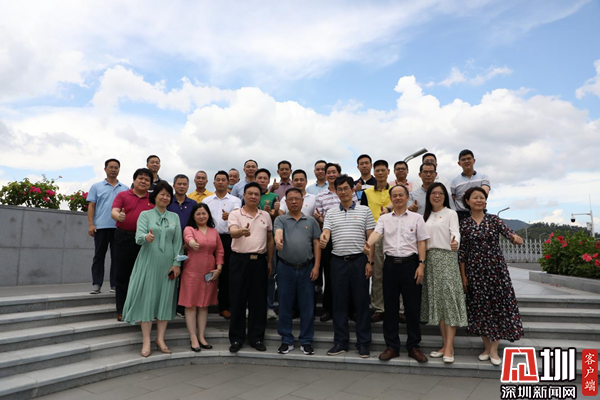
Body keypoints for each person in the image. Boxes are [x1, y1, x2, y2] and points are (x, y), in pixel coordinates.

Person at [459, 186, 524, 366]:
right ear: (467, 201)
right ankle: (486, 347)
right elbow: (462, 252)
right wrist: (463, 276)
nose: (479, 200)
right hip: (474, 272)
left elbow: (509, 233)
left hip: (496, 271)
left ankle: (494, 349)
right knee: (480, 309)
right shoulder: (464, 224)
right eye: (475, 197)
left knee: (497, 308)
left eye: (482, 197)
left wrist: (515, 237)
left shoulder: (494, 220)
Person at [365, 184, 430, 363]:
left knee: (412, 308)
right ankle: (392, 346)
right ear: (391, 199)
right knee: (390, 308)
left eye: (401, 195)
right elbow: (376, 234)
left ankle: (413, 346)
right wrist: (368, 244)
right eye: (395, 195)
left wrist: (421, 265)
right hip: (390, 265)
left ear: (407, 197)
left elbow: (422, 242)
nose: (398, 198)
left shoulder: (417, 218)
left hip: (411, 265)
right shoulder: (384, 219)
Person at [121, 181, 183, 357]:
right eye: (162, 194)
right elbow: (138, 237)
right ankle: (146, 340)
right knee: (148, 300)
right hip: (149, 260)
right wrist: (145, 237)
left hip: (168, 262)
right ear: (155, 196)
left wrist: (177, 263)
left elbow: (178, 242)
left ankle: (160, 339)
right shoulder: (145, 215)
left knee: (165, 300)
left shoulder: (174, 217)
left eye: (168, 195)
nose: (165, 197)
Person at [320, 175, 374, 358]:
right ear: (336, 192)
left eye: (346, 188)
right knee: (339, 304)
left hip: (359, 262)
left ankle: (363, 343)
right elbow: (326, 231)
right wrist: (324, 238)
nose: (343, 192)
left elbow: (371, 238)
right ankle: (340, 342)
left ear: (352, 190)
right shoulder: (331, 213)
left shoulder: (365, 210)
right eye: (340, 189)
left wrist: (370, 262)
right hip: (338, 263)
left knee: (361, 303)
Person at [421, 183, 467, 364]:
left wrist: (456, 242)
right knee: (439, 303)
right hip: (430, 261)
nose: (437, 196)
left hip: (446, 259)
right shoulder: (425, 216)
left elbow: (455, 233)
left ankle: (449, 347)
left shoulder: (451, 213)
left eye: (440, 193)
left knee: (449, 302)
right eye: (434, 193)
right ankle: (445, 344)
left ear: (445, 196)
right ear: (429, 196)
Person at [227, 182, 274, 353]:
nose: (253, 196)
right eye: (250, 193)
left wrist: (269, 261)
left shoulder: (265, 215)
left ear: (260, 197)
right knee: (238, 300)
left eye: (256, 194)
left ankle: (256, 338)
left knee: (258, 301)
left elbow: (270, 239)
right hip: (239, 261)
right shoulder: (235, 214)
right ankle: (236, 339)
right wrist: (241, 232)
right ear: (244, 196)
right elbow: (232, 231)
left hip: (259, 261)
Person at [274, 188, 321, 355]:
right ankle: (286, 340)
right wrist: (278, 240)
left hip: (306, 268)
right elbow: (278, 232)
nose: (294, 202)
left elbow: (316, 244)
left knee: (307, 306)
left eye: (297, 199)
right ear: (286, 202)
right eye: (290, 199)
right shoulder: (280, 219)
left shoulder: (311, 221)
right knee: (285, 305)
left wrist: (316, 266)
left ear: (302, 201)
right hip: (285, 268)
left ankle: (306, 341)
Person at [314, 163, 358, 322]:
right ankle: (329, 309)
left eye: (334, 172)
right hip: (328, 238)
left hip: (347, 236)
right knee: (330, 275)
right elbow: (319, 218)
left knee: (349, 275)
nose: (331, 174)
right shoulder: (320, 196)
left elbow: (355, 212)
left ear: (339, 174)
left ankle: (351, 309)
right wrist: (321, 221)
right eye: (329, 172)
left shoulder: (350, 193)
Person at [111, 168, 155, 320]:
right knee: (122, 274)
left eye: (147, 180)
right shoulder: (123, 195)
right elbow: (114, 211)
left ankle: (141, 308)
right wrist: (119, 216)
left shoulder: (153, 199)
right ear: (134, 180)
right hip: (124, 238)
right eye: (140, 178)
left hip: (146, 241)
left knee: (144, 275)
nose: (143, 181)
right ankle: (121, 309)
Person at [180, 203, 224, 351]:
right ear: (193, 216)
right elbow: (188, 238)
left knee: (204, 305)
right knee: (191, 304)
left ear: (208, 215)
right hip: (192, 271)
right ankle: (193, 337)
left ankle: (201, 336)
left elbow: (219, 251)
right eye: (198, 214)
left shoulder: (214, 231)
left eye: (204, 213)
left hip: (209, 272)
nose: (201, 216)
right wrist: (192, 243)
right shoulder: (190, 229)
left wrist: (218, 268)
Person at [203, 170, 242, 320]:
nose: (220, 182)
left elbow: (237, 216)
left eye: (223, 180)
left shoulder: (235, 200)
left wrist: (230, 216)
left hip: (227, 238)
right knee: (206, 270)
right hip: (209, 237)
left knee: (226, 273)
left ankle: (224, 306)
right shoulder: (206, 200)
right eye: (217, 180)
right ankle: (204, 303)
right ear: (214, 183)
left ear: (228, 182)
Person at [87, 158, 128, 294]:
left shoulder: (125, 188)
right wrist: (91, 224)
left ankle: (115, 284)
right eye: (111, 167)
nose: (113, 170)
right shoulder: (96, 187)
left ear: (119, 170)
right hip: (101, 227)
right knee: (99, 256)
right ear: (105, 169)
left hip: (119, 228)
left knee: (117, 257)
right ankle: (96, 284)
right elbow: (91, 206)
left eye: (116, 167)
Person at [359, 160, 390, 323]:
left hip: (394, 234)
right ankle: (379, 308)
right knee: (377, 272)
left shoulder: (395, 190)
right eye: (377, 171)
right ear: (374, 172)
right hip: (375, 234)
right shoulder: (367, 192)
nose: (380, 173)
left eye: (383, 170)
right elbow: (363, 212)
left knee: (396, 272)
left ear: (388, 172)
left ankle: (399, 308)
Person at [167, 174, 197, 317]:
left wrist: (189, 241)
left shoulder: (193, 204)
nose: (182, 186)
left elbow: (196, 224)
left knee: (185, 277)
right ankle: (167, 306)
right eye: (179, 184)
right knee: (169, 276)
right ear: (174, 185)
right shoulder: (167, 201)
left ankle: (181, 307)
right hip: (168, 245)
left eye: (184, 184)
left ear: (188, 186)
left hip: (186, 246)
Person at [255, 168, 280, 320]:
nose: (262, 180)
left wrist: (273, 213)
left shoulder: (274, 196)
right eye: (260, 178)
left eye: (265, 178)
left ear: (269, 181)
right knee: (253, 277)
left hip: (270, 239)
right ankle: (252, 306)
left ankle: (269, 307)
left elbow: (276, 219)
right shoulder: (250, 195)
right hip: (253, 240)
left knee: (270, 275)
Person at [451, 150, 490, 221]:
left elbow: (485, 193)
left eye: (469, 158)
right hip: (461, 215)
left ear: (474, 161)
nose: (466, 161)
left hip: (480, 213)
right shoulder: (454, 182)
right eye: (463, 160)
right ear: (459, 163)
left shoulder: (483, 177)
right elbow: (452, 201)